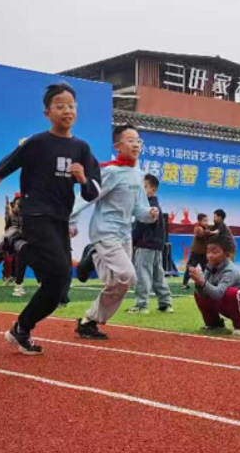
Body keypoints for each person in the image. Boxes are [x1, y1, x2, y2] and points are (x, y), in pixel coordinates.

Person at [0, 82, 101, 355]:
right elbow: (5, 166)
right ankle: (14, 241)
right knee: (58, 270)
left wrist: (83, 180)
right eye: (60, 106)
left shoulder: (82, 148)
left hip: (60, 218)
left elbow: (94, 191)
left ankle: (21, 329)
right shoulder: (37, 143)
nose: (67, 111)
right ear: (47, 113)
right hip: (35, 213)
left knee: (59, 287)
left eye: (71, 106)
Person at [70, 124, 158, 340]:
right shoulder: (110, 172)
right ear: (118, 146)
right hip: (105, 231)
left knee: (118, 283)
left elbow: (139, 209)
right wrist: (71, 220)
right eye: (130, 140)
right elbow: (87, 195)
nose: (136, 145)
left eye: (138, 141)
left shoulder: (138, 174)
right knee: (128, 276)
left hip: (124, 234)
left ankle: (88, 321)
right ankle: (94, 256)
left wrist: (150, 214)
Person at [190, 236, 240, 336]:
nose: (210, 255)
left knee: (231, 292)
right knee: (198, 292)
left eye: (215, 252)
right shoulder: (210, 266)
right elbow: (204, 292)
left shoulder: (230, 270)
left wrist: (201, 281)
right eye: (208, 252)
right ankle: (214, 324)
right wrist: (198, 282)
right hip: (225, 302)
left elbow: (218, 294)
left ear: (226, 254)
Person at [128, 174, 173, 314]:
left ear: (152, 189)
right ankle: (165, 303)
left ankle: (141, 305)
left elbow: (139, 229)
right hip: (156, 246)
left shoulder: (147, 207)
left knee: (142, 275)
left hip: (145, 245)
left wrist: (131, 241)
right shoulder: (155, 206)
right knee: (158, 276)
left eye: (144, 187)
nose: (141, 190)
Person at [182, 214, 210, 290]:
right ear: (199, 221)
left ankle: (207, 284)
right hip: (196, 253)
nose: (206, 222)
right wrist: (213, 232)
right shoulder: (197, 228)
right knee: (191, 268)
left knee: (206, 269)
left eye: (207, 220)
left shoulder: (206, 228)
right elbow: (201, 234)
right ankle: (185, 284)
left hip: (203, 253)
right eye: (204, 220)